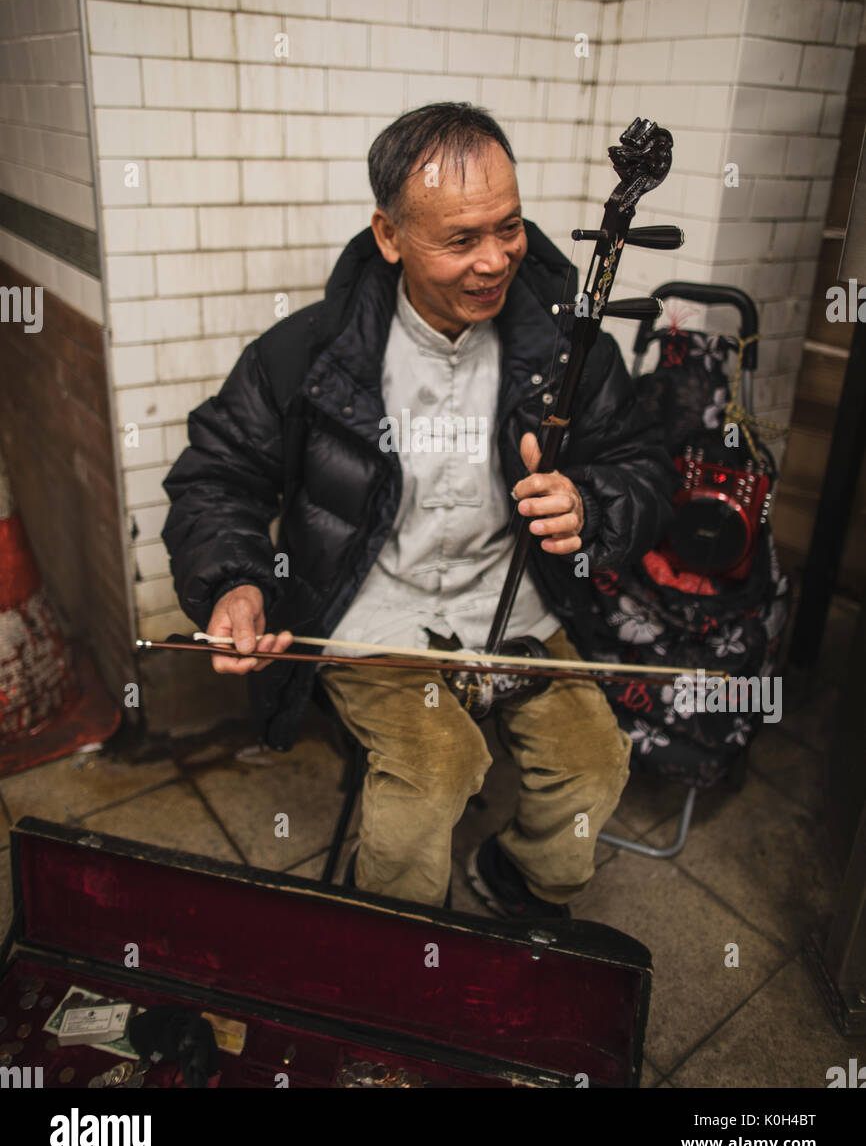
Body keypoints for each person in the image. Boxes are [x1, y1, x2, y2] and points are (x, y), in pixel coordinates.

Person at [162, 102, 678, 919]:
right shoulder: (307, 353)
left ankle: (520, 878)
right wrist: (233, 580)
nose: (494, 261)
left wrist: (594, 501)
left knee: (592, 762)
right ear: (390, 235)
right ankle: (399, 950)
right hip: (376, 611)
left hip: (513, 606)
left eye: (508, 228)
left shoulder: (569, 351)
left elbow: (641, 463)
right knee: (435, 771)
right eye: (460, 240)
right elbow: (217, 478)